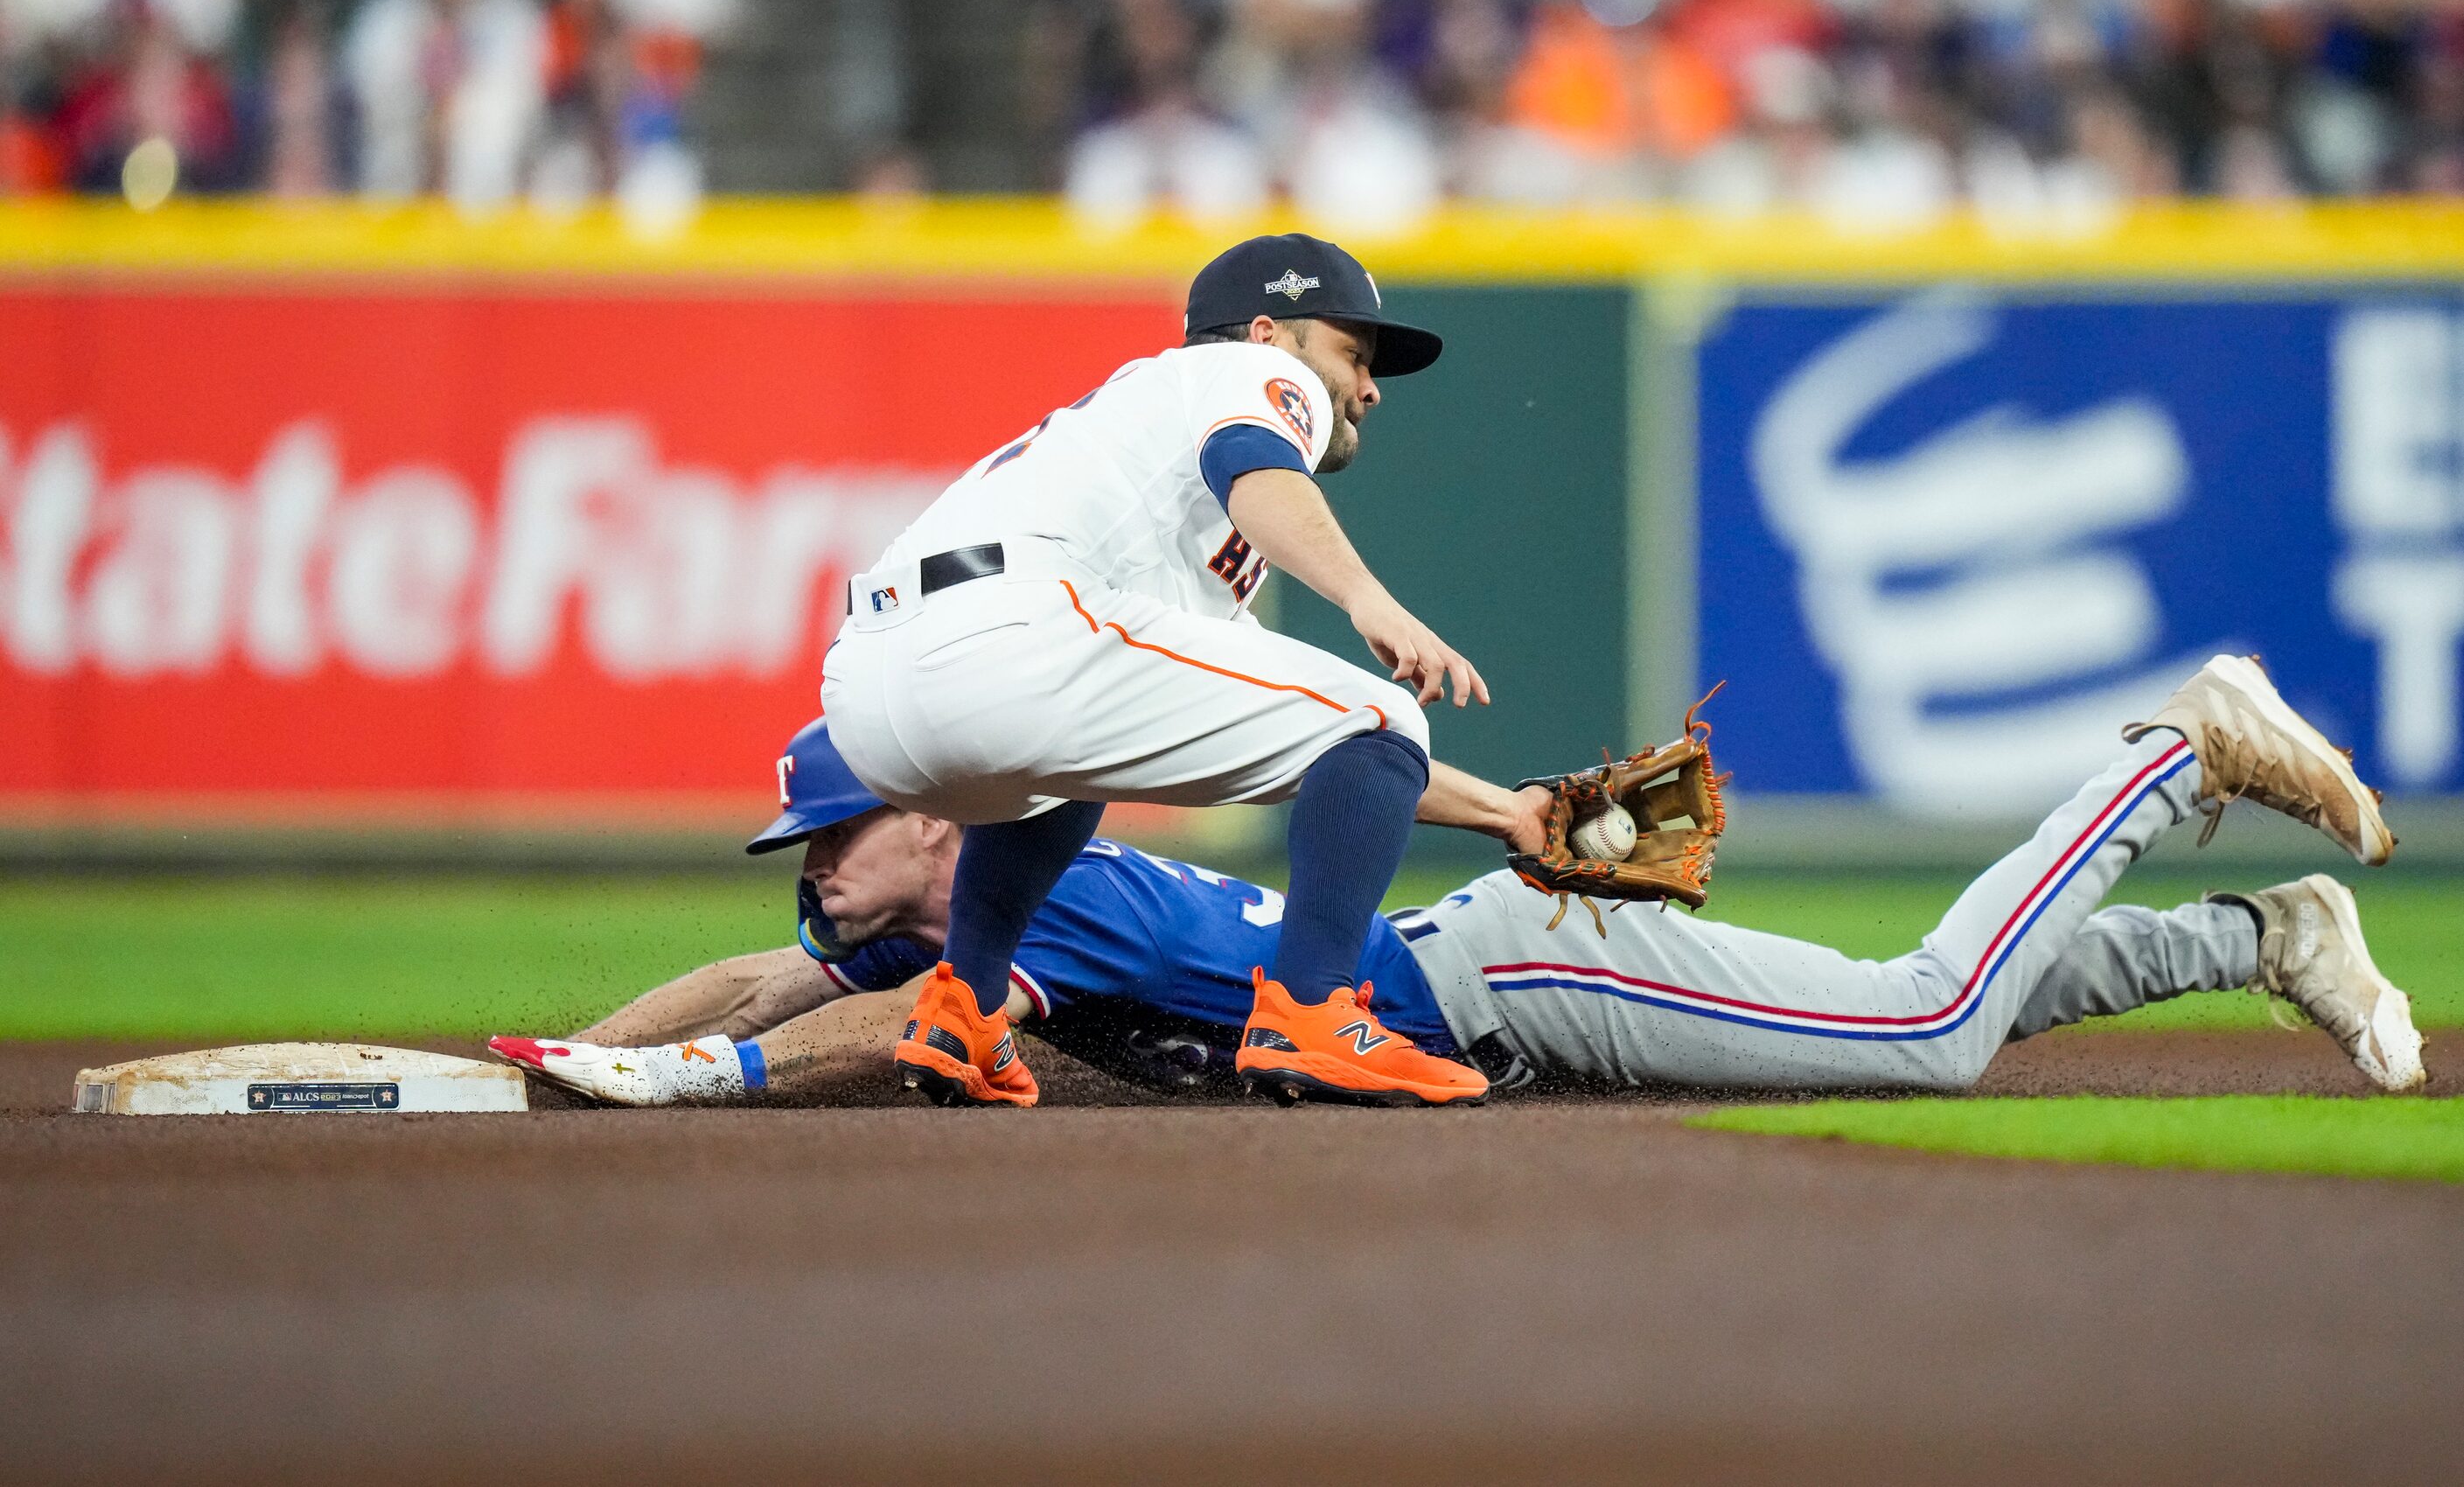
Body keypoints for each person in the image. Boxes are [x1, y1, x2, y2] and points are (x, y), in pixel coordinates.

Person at [488, 654, 2426, 1108]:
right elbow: (760, 975)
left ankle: (2170, 752)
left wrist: (710, 1083)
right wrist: (591, 1051)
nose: (815, 877)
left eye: (832, 832)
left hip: (1511, 979)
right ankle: (2255, 933)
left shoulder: (1011, 865)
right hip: (1486, 975)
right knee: (1885, 1001)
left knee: (1920, 1024)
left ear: (925, 811)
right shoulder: (931, 914)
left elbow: (815, 1026)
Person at [815, 232, 1546, 1110]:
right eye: (1352, 353)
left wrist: (1507, 815)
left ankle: (962, 1012)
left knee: (1079, 764)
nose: (1368, 388)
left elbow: (1317, 754)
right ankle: (1312, 1016)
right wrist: (1368, 601)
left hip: (872, 682)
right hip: (1008, 630)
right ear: (1271, 334)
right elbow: (1257, 467)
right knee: (1383, 717)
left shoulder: (1141, 441)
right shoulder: (1241, 374)